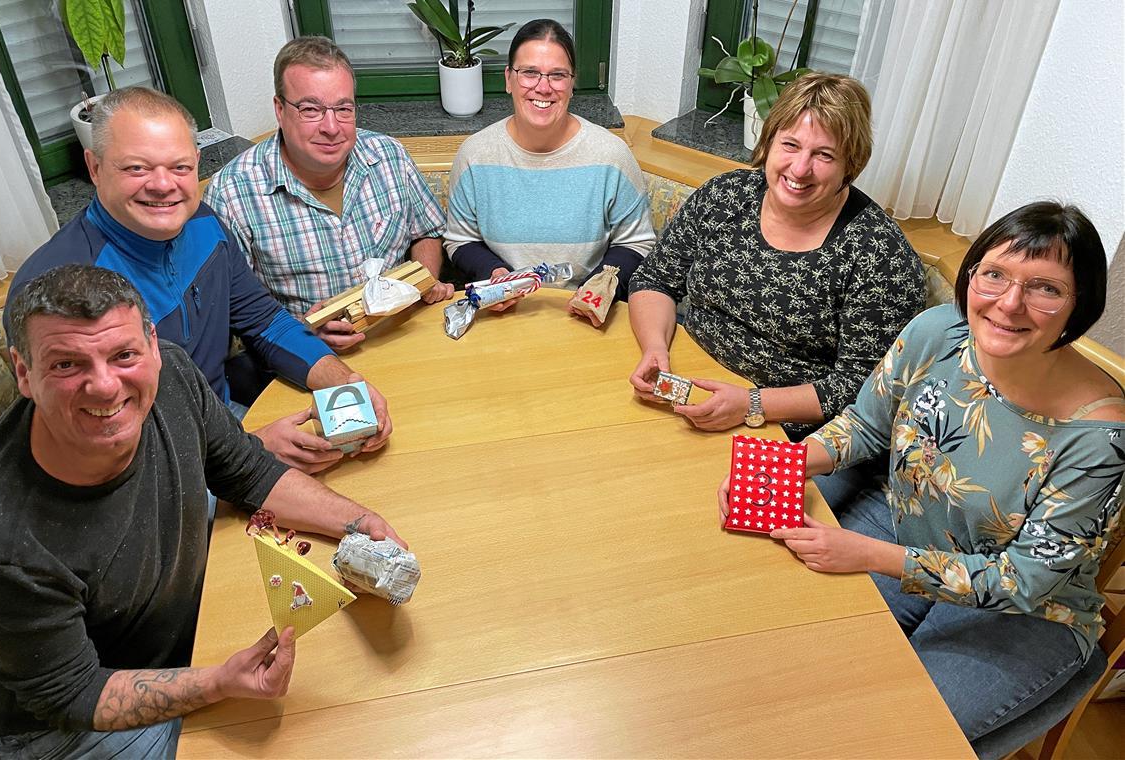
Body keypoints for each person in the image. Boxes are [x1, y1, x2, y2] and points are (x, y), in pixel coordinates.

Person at [718, 203, 1125, 751]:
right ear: (971, 274)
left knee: (885, 735)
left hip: (1027, 612)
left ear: (1080, 305)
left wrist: (863, 553)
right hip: (905, 526)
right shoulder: (938, 332)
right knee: (774, 661)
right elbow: (865, 425)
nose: (1009, 303)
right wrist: (780, 464)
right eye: (995, 274)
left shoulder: (1099, 435)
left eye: (1045, 288)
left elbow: (1023, 582)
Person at [0, 265, 406, 759]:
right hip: (68, 718)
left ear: (152, 346)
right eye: (65, 365)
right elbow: (71, 693)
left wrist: (359, 522)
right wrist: (219, 682)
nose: (103, 386)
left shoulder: (174, 376)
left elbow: (246, 471)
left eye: (123, 355)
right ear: (23, 373)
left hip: (176, 631)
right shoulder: (4, 541)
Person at [5, 86, 390, 474]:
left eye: (180, 167)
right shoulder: (52, 289)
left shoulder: (205, 224)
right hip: (149, 474)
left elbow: (264, 322)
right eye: (137, 168)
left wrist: (344, 383)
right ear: (95, 167)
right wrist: (246, 449)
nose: (162, 184)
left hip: (227, 424)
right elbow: (94, 441)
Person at [628, 73, 926, 440]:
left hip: (788, 429)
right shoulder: (726, 196)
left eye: (824, 155)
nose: (800, 169)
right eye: (790, 145)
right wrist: (655, 348)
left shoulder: (879, 255)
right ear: (768, 142)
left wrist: (752, 404)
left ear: (851, 164)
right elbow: (656, 279)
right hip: (689, 374)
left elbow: (863, 387)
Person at [204, 36, 453, 353]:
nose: (332, 126)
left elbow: (427, 232)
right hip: (306, 358)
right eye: (311, 109)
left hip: (404, 334)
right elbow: (233, 309)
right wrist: (298, 333)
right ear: (280, 110)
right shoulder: (232, 194)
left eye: (343, 108)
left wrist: (421, 284)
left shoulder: (389, 155)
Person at [444, 19, 656, 326]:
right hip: (502, 315)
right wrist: (494, 274)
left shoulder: (611, 155)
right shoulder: (475, 154)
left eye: (557, 75)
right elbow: (459, 239)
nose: (543, 87)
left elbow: (637, 243)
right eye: (529, 72)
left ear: (571, 84)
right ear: (508, 79)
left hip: (585, 318)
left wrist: (596, 290)